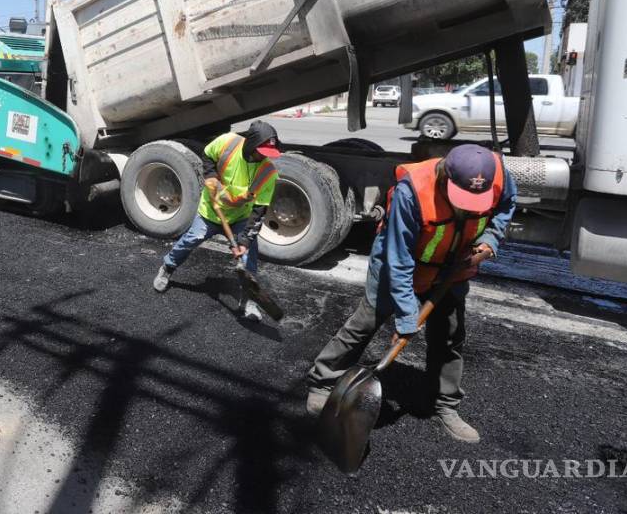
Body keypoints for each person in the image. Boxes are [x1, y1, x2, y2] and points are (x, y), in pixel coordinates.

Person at [304, 144, 517, 443]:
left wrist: (491, 239)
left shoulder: (498, 175)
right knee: (364, 323)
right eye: (462, 199)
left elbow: (507, 206)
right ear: (446, 176)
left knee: (450, 336)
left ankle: (445, 404)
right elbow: (399, 259)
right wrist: (406, 317)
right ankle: (323, 381)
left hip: (454, 266)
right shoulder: (412, 191)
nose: (469, 207)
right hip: (401, 262)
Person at [152, 120, 281, 322]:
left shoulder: (268, 172)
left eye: (268, 154)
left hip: (240, 217)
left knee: (249, 257)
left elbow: (259, 210)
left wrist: (245, 242)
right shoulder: (227, 142)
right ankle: (167, 267)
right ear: (250, 144)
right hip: (212, 211)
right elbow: (207, 155)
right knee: (191, 239)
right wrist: (211, 176)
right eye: (261, 151)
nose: (264, 157)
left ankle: (249, 299)